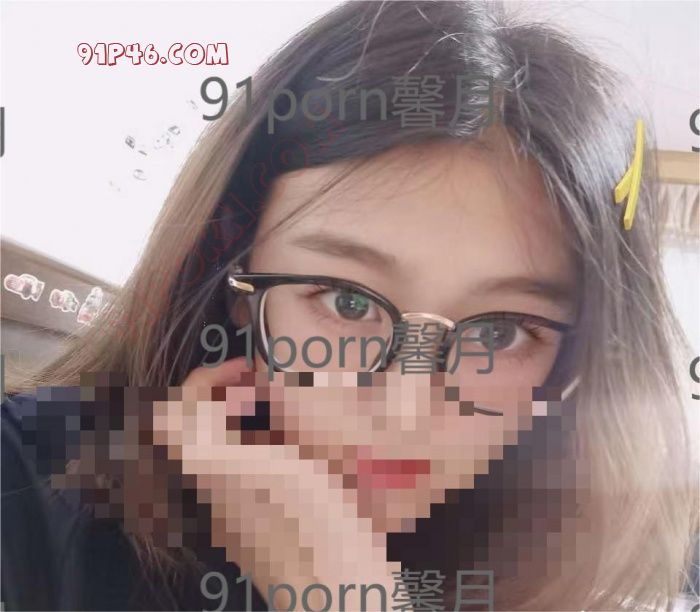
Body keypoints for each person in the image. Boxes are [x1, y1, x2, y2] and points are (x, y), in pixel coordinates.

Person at [2, 1, 698, 610]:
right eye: (346, 301)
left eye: (501, 331)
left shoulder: (560, 552)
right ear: (235, 274)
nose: (405, 413)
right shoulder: (25, 489)